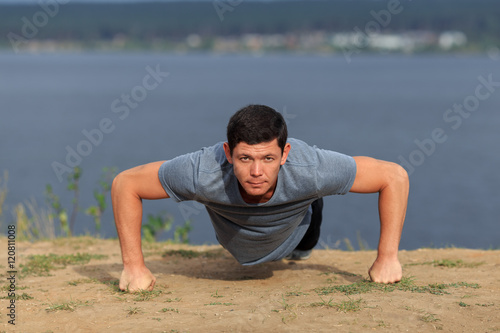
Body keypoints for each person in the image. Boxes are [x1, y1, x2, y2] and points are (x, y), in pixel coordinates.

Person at [112, 105, 409, 292]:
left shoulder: (311, 168)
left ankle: (308, 221)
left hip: (295, 235)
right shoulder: (203, 170)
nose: (256, 171)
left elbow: (393, 176)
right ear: (228, 153)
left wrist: (387, 258)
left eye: (268, 158)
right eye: (244, 158)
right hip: (235, 241)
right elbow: (126, 183)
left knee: (312, 193)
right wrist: (133, 266)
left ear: (285, 154)